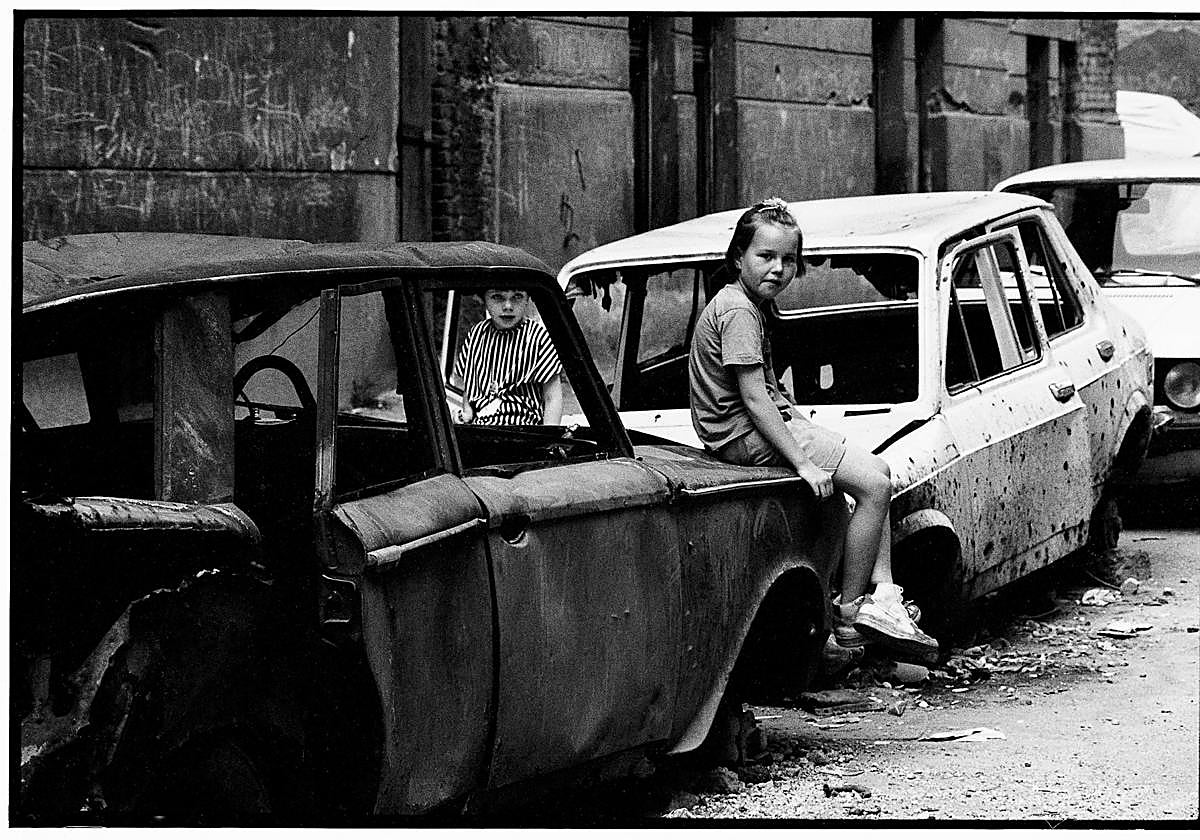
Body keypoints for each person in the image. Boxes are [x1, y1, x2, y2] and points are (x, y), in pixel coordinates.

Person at [688, 198, 938, 663]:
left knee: (878, 469)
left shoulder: (746, 304)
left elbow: (769, 393)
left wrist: (805, 430)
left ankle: (881, 595)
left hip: (754, 427)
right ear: (737, 256)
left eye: (788, 260)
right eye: (765, 257)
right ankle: (850, 613)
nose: (778, 269)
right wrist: (804, 462)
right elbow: (755, 400)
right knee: (875, 484)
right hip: (743, 435)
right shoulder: (739, 311)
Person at [452, 288, 563, 426]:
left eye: (517, 296)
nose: (508, 306)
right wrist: (467, 413)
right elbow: (470, 385)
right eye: (497, 297)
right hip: (483, 427)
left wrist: (549, 442)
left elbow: (552, 398)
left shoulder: (538, 337)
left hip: (525, 428)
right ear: (484, 300)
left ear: (527, 299)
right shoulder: (477, 334)